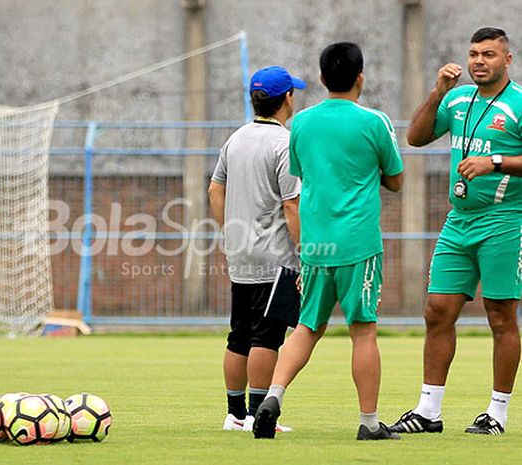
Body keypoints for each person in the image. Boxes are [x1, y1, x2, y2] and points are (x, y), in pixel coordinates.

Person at [252, 42, 404, 440]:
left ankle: (272, 397)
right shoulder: (375, 121)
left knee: (306, 327)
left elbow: (303, 172)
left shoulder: (301, 123)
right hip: (358, 243)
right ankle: (369, 423)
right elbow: (396, 179)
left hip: (316, 243)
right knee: (363, 329)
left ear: (321, 79)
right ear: (360, 77)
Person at [390, 27, 522, 436]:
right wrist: (437, 91)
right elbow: (414, 137)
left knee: (500, 316)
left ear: (507, 60)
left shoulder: (518, 104)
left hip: (505, 219)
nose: (479, 61)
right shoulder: (458, 98)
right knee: (437, 311)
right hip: (458, 220)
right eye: (473, 54)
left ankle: (496, 413)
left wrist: (495, 161)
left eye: (488, 54)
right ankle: (428, 411)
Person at [208, 65, 304, 433]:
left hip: (241, 253)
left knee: (239, 334)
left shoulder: (236, 138)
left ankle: (234, 414)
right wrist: (305, 251)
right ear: (288, 99)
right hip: (275, 257)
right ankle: (256, 414)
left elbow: (215, 190)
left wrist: (230, 231)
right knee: (268, 336)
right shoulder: (284, 143)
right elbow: (291, 205)